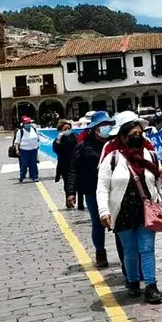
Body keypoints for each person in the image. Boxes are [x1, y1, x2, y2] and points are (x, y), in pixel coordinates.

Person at [97, 113, 162, 304]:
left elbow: (160, 182)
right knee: (130, 251)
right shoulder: (112, 159)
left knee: (147, 249)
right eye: (132, 133)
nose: (137, 136)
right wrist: (103, 211)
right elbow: (102, 186)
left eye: (139, 133)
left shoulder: (151, 157)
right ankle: (132, 282)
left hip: (145, 210)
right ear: (122, 137)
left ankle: (151, 286)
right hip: (122, 212)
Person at [66, 112, 116, 268]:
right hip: (92, 190)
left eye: (107, 125)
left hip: (115, 189)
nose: (105, 128)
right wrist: (71, 192)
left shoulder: (115, 143)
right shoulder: (83, 146)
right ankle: (100, 252)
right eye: (102, 125)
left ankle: (125, 254)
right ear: (94, 129)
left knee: (120, 222)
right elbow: (73, 169)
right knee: (97, 222)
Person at [13, 116, 41, 183]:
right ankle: (22, 176)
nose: (28, 124)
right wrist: (17, 150)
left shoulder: (34, 130)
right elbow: (17, 142)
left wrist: (37, 146)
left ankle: (35, 177)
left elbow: (38, 138)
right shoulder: (20, 131)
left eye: (29, 123)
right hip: (24, 150)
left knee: (33, 164)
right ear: (24, 124)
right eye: (26, 123)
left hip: (33, 150)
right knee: (24, 164)